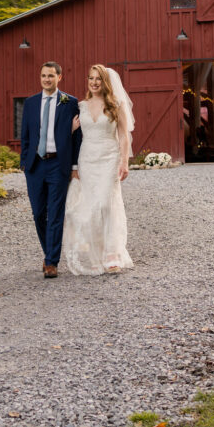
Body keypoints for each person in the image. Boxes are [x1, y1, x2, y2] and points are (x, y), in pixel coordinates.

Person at [61, 64, 134, 275]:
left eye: (98, 79)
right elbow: (72, 136)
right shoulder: (81, 106)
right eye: (91, 78)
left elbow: (123, 136)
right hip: (87, 159)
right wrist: (71, 129)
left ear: (105, 82)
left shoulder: (116, 105)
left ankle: (112, 254)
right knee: (91, 206)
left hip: (109, 158)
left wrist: (124, 162)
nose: (94, 82)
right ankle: (95, 254)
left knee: (106, 204)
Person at [19, 61, 82, 279]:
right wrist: (24, 163)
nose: (47, 79)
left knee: (55, 213)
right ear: (40, 77)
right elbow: (25, 135)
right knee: (38, 214)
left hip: (58, 164)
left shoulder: (70, 102)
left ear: (59, 78)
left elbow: (77, 138)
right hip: (35, 165)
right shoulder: (30, 103)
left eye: (51, 76)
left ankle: (51, 262)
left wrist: (74, 165)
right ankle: (49, 253)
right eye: (44, 75)